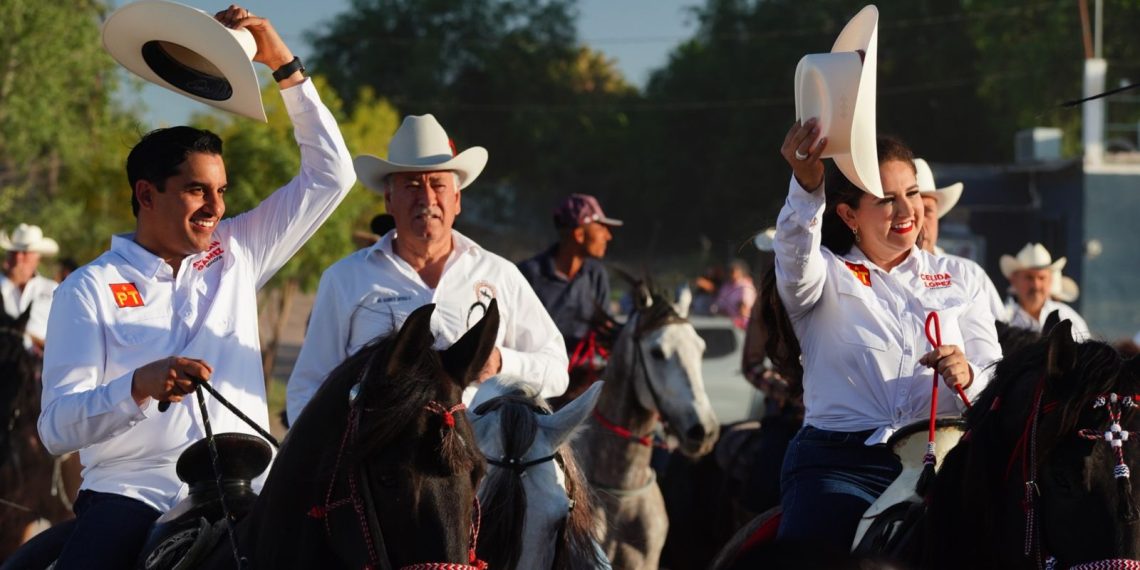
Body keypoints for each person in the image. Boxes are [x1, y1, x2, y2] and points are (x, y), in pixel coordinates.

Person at [13, 7, 356, 569]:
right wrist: (139, 386)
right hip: (134, 490)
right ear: (147, 195)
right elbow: (55, 429)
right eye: (198, 190)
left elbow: (331, 176)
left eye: (221, 192)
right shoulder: (88, 289)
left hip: (253, 486)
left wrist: (283, 66)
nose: (216, 208)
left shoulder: (238, 250)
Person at [772, 123, 1001, 549]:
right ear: (849, 215)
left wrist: (969, 374)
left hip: (949, 462)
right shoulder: (823, 274)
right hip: (841, 465)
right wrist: (807, 187)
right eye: (885, 199)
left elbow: (994, 371)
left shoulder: (962, 276)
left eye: (911, 193)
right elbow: (794, 251)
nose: (906, 209)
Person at [286, 114, 569, 424]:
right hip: (379, 452)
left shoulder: (500, 275)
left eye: (438, 184)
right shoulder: (345, 279)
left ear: (457, 199)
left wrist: (500, 362)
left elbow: (557, 371)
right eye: (412, 186)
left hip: (481, 451)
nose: (427, 198)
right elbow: (306, 388)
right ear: (389, 200)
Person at [518, 193, 620, 355]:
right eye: (601, 227)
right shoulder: (529, 275)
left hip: (583, 366)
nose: (608, 236)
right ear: (579, 235)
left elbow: (604, 329)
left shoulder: (596, 275)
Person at [913, 158, 1005, 321]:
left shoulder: (970, 274)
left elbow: (1003, 331)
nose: (920, 222)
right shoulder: (880, 277)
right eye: (913, 212)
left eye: (927, 211)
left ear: (937, 216)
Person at [999, 242, 1091, 339]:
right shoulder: (1003, 318)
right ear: (1014, 280)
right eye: (1029, 277)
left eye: (1042, 278)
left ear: (1051, 280)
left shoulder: (1069, 318)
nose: (1036, 285)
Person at [0, 223, 60, 353]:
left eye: (25, 253)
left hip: (41, 361)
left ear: (37, 257)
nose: (18, 257)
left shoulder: (52, 289)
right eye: (14, 252)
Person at [712, 259, 757, 328]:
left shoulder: (746, 286)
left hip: (744, 325)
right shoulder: (726, 286)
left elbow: (744, 309)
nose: (731, 274)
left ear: (741, 272)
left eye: (733, 272)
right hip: (727, 323)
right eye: (730, 272)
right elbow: (719, 305)